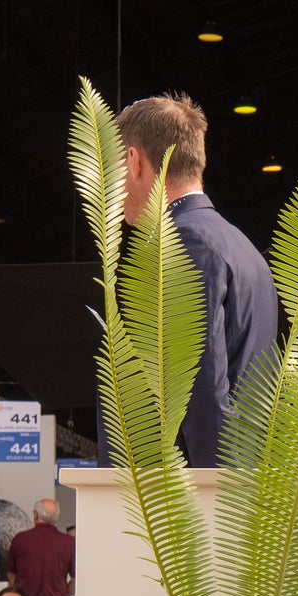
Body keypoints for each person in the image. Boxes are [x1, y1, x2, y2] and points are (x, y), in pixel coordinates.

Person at [113, 92, 279, 466]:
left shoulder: (183, 242)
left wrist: (212, 494)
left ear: (134, 161)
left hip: (187, 503)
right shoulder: (242, 246)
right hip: (242, 480)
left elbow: (199, 386)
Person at [5, 498, 74, 596]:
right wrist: (64, 595)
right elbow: (74, 579)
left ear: (35, 515)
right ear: (56, 518)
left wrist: (18, 594)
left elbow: (11, 575)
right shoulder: (68, 542)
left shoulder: (20, 539)